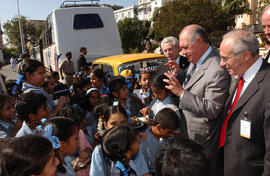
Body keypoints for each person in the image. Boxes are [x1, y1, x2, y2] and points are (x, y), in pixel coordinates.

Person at [163, 24, 230, 159]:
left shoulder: (216, 69)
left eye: (185, 47)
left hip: (203, 142)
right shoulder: (196, 60)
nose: (182, 52)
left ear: (199, 42)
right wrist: (180, 74)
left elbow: (212, 109)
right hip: (190, 135)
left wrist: (181, 92)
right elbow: (194, 86)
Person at [218, 29, 270, 176]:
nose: (221, 64)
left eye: (225, 58)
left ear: (246, 55)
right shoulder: (240, 76)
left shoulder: (267, 83)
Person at [140, 108, 180, 174]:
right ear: (159, 127)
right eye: (169, 132)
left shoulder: (168, 137)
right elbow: (144, 169)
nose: (171, 135)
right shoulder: (144, 142)